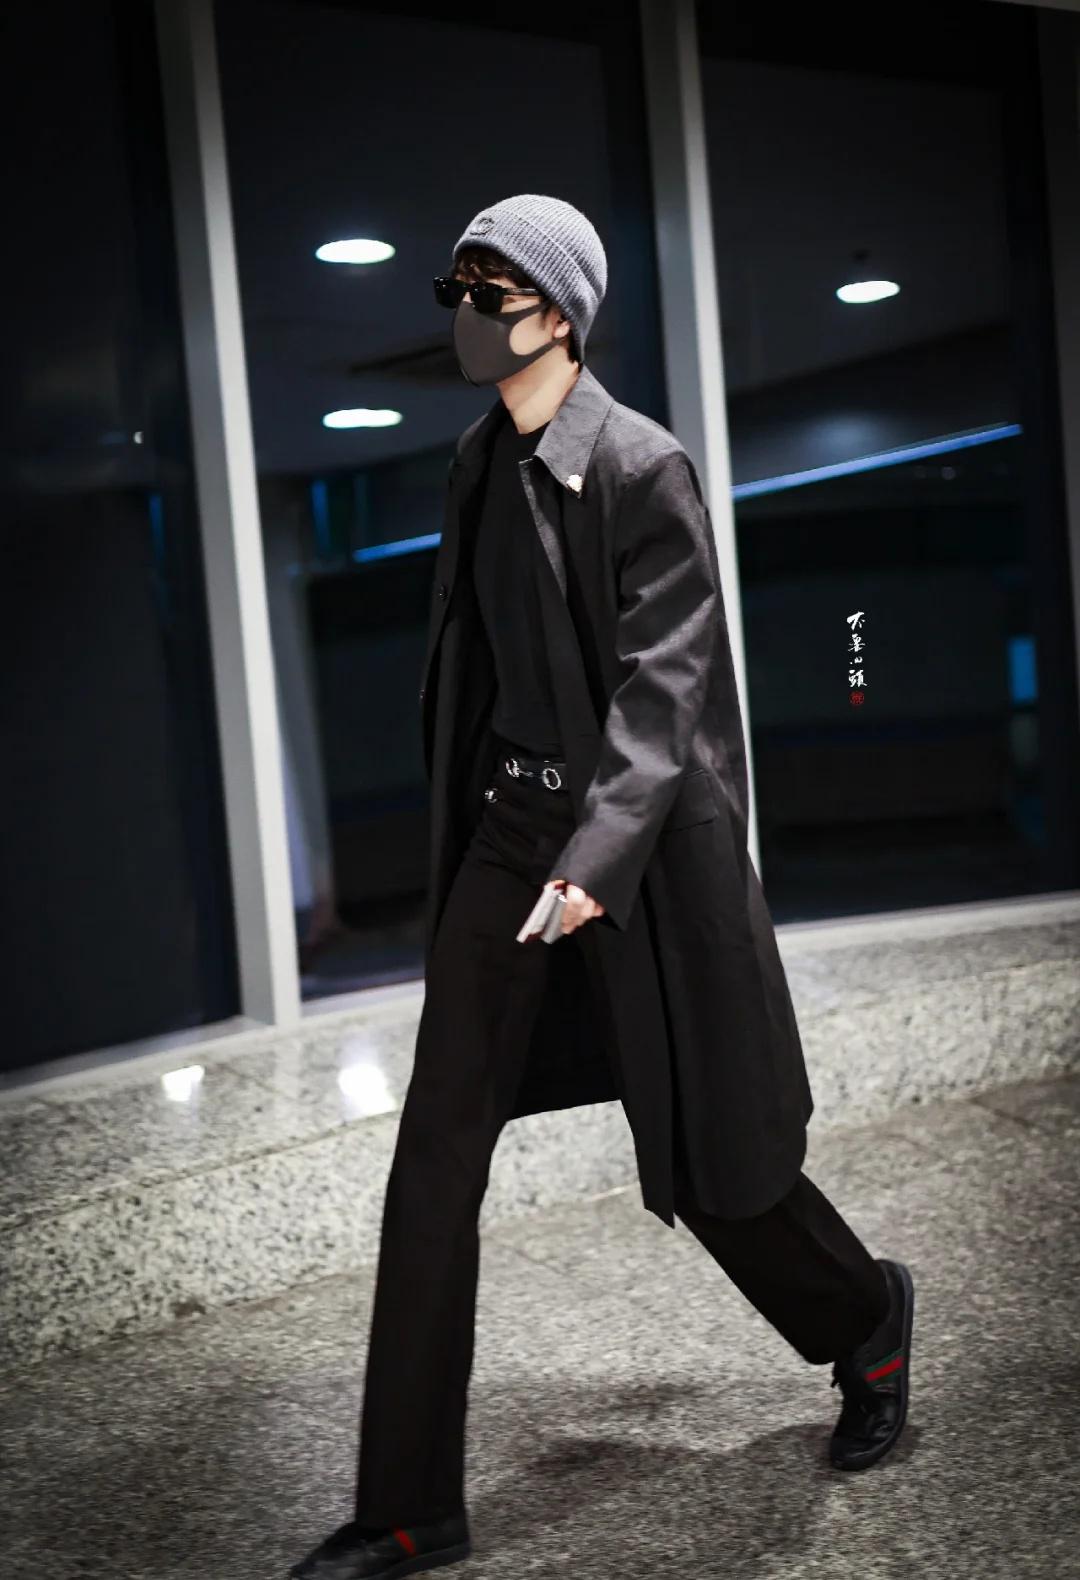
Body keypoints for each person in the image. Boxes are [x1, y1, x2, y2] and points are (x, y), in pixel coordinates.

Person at [290, 195, 915, 1580]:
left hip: (629, 865)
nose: (466, 316)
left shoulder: (640, 466)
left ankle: (867, 1319)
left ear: (560, 316)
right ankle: (407, 1506)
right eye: (457, 290)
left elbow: (664, 692)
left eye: (491, 292)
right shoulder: (475, 461)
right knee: (432, 1163)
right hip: (507, 846)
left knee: (710, 1163)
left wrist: (594, 861)